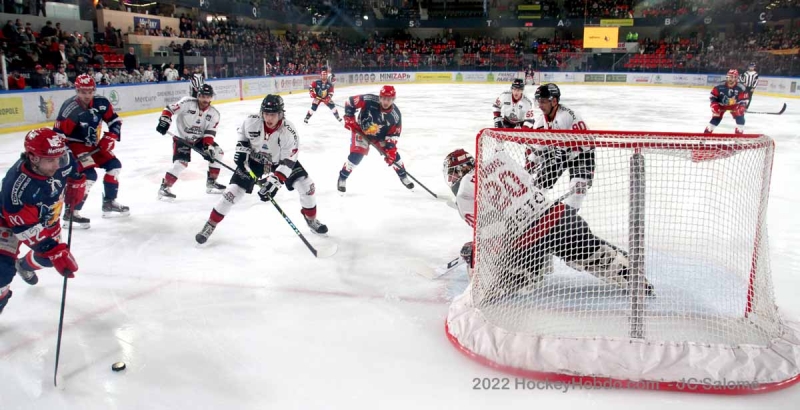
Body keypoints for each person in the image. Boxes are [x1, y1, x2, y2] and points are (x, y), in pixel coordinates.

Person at [442, 148, 652, 301]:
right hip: (561, 217)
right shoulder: (501, 161)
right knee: (593, 254)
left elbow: (491, 237)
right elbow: (534, 187)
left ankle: (533, 271)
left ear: (459, 171)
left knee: (492, 289)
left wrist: (473, 253)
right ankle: (630, 273)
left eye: (452, 173)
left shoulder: (464, 194)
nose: (451, 178)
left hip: (529, 244)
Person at [195, 95, 328, 244]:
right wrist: (241, 147)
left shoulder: (289, 132)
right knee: (231, 193)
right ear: (261, 113)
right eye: (266, 114)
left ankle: (311, 219)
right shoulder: (252, 121)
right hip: (254, 161)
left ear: (281, 114)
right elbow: (242, 133)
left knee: (306, 186)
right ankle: (210, 225)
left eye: (273, 114)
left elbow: (289, 160)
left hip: (280, 161)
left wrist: (275, 183)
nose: (269, 118)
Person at [0, 128, 85, 315]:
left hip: (48, 218)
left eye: (58, 159)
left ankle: (23, 265)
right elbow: (24, 228)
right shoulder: (17, 188)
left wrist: (76, 182)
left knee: (48, 260)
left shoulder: (62, 157)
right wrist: (53, 250)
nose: (56, 165)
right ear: (33, 158)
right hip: (8, 222)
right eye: (49, 161)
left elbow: (72, 167)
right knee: (2, 273)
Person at [54, 74, 128, 229]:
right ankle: (71, 212)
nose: (86, 95)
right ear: (76, 90)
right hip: (75, 146)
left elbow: (114, 120)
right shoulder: (70, 109)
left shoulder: (102, 103)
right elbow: (58, 136)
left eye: (89, 91)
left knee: (114, 166)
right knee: (88, 176)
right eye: (82, 91)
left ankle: (109, 202)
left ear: (94, 90)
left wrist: (111, 136)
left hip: (94, 145)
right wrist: (67, 156)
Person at [522, 83, 594, 210]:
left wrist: (589, 171)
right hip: (559, 152)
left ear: (554, 101)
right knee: (538, 187)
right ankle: (532, 212)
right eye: (538, 101)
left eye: (543, 101)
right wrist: (530, 165)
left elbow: (588, 145)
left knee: (578, 190)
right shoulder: (541, 121)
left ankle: (567, 220)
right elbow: (539, 148)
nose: (540, 105)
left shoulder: (566, 117)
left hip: (581, 155)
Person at [156, 84, 225, 201]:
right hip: (181, 137)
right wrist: (165, 120)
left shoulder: (214, 114)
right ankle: (165, 187)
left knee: (218, 153)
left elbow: (210, 132)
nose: (205, 100)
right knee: (181, 163)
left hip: (199, 139)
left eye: (208, 97)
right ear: (198, 96)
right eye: (203, 96)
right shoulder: (187, 103)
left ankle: (211, 182)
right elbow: (169, 109)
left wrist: (207, 147)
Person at [338, 85, 413, 193]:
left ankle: (403, 176)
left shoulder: (395, 115)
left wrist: (390, 150)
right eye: (383, 98)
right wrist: (349, 118)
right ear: (380, 97)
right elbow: (350, 102)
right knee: (356, 156)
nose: (385, 102)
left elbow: (393, 135)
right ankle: (342, 177)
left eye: (389, 99)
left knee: (394, 156)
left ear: (393, 99)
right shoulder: (368, 100)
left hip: (380, 137)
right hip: (361, 130)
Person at [704, 69, 748, 134]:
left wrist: (741, 107)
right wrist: (714, 104)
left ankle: (738, 138)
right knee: (715, 119)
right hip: (721, 105)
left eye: (732, 77)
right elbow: (713, 96)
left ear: (736, 78)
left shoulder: (741, 87)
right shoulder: (719, 86)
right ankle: (704, 138)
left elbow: (744, 99)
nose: (730, 79)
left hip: (735, 106)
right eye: (729, 77)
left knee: (740, 118)